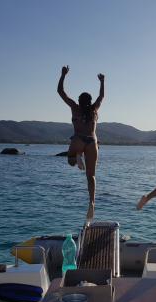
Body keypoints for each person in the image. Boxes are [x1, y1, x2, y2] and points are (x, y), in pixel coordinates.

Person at [57, 65, 104, 221]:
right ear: (90, 101)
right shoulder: (95, 110)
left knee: (70, 161)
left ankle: (76, 155)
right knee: (91, 176)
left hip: (78, 139)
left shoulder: (75, 108)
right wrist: (102, 82)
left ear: (79, 100)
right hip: (92, 141)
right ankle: (92, 202)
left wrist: (63, 75)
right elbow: (101, 97)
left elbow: (61, 92)